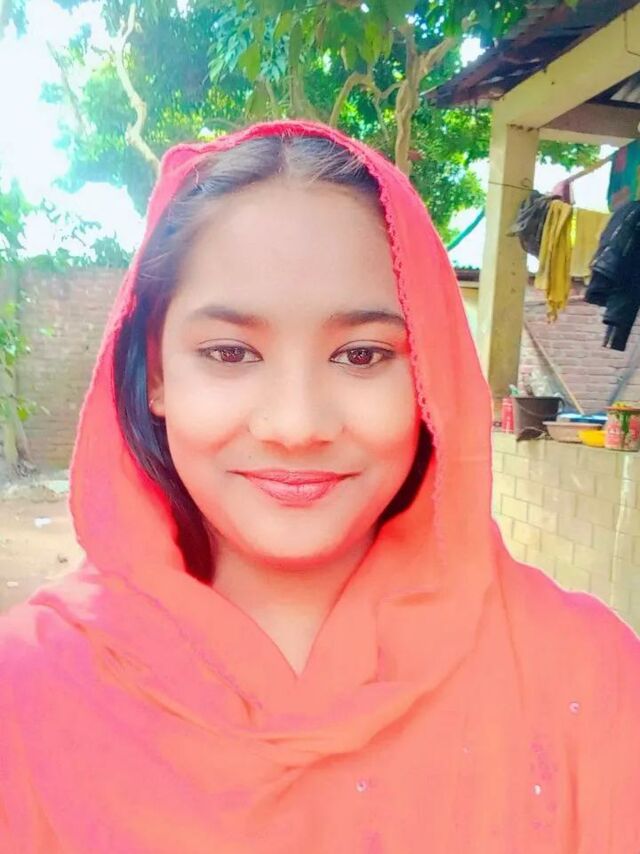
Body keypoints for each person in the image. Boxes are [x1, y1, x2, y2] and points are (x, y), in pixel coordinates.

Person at [0, 120, 638, 853]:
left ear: (429, 375)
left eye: (361, 355)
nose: (296, 426)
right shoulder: (27, 695)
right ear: (158, 373)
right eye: (230, 353)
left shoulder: (587, 679)